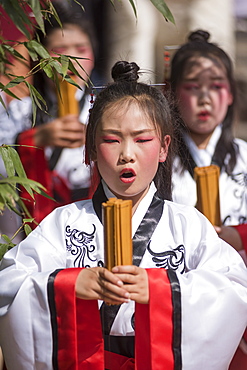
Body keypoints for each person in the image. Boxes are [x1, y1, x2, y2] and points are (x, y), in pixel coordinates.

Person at [0, 60, 246, 370]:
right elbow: (9, 285)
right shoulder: (63, 224)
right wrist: (69, 284)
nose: (126, 153)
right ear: (90, 149)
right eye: (111, 140)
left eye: (142, 140)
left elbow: (234, 288)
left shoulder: (188, 225)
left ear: (163, 148)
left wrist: (161, 289)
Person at [170, 29, 247, 369]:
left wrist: (237, 236)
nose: (205, 98)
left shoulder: (245, 156)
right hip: (180, 291)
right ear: (171, 94)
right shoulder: (157, 161)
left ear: (231, 94)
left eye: (216, 85)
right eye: (192, 86)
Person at [0, 1, 101, 226]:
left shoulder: (107, 109)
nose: (71, 62)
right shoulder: (18, 111)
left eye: (81, 49)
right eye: (60, 52)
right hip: (33, 228)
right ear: (39, 59)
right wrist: (32, 140)